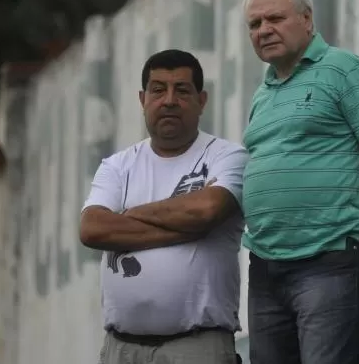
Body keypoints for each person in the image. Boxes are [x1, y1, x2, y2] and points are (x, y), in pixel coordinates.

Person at [240, 0, 359, 364]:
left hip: (328, 261)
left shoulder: (342, 69)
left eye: (275, 18)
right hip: (267, 268)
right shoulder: (263, 93)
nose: (264, 30)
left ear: (306, 19)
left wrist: (356, 218)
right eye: (254, 24)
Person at [79, 49, 248, 364]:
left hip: (197, 346)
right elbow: (92, 229)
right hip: (121, 349)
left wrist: (128, 217)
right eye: (158, 90)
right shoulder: (117, 166)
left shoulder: (227, 157)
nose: (169, 100)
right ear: (143, 99)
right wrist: (189, 229)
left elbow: (207, 210)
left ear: (202, 100)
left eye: (182, 90)